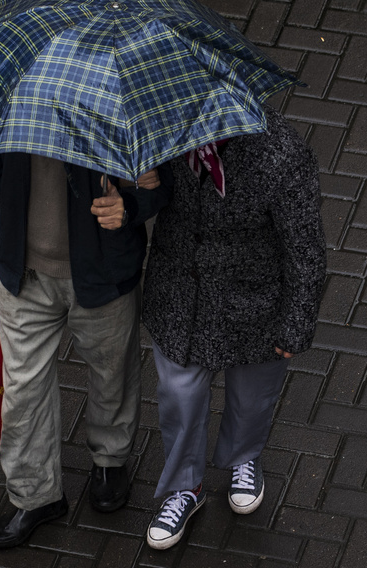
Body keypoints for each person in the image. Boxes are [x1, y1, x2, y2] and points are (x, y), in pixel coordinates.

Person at [140, 108, 326, 550]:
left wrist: (294, 326)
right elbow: (145, 200)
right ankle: (185, 487)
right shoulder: (159, 129)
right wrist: (136, 188)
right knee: (179, 398)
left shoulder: (281, 152)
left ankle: (244, 459)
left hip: (255, 300)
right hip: (181, 292)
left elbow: (305, 248)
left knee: (252, 396)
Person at [0, 143, 173, 548]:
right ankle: (35, 495)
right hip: (22, 271)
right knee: (22, 391)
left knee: (112, 372)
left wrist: (131, 205)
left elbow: (163, 185)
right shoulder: (17, 88)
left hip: (104, 271)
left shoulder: (124, 93)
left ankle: (110, 462)